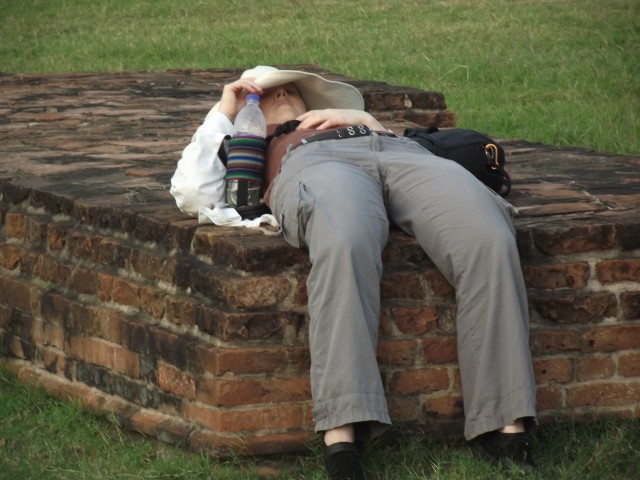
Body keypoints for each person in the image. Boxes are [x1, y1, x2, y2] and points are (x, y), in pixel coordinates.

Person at [171, 66, 538, 479]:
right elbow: (192, 192)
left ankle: (507, 424)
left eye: (290, 89)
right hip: (313, 164)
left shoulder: (350, 120)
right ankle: (342, 435)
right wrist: (225, 110)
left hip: (402, 153)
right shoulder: (248, 141)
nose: (283, 93)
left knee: (490, 238)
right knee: (345, 240)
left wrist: (365, 121)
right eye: (269, 92)